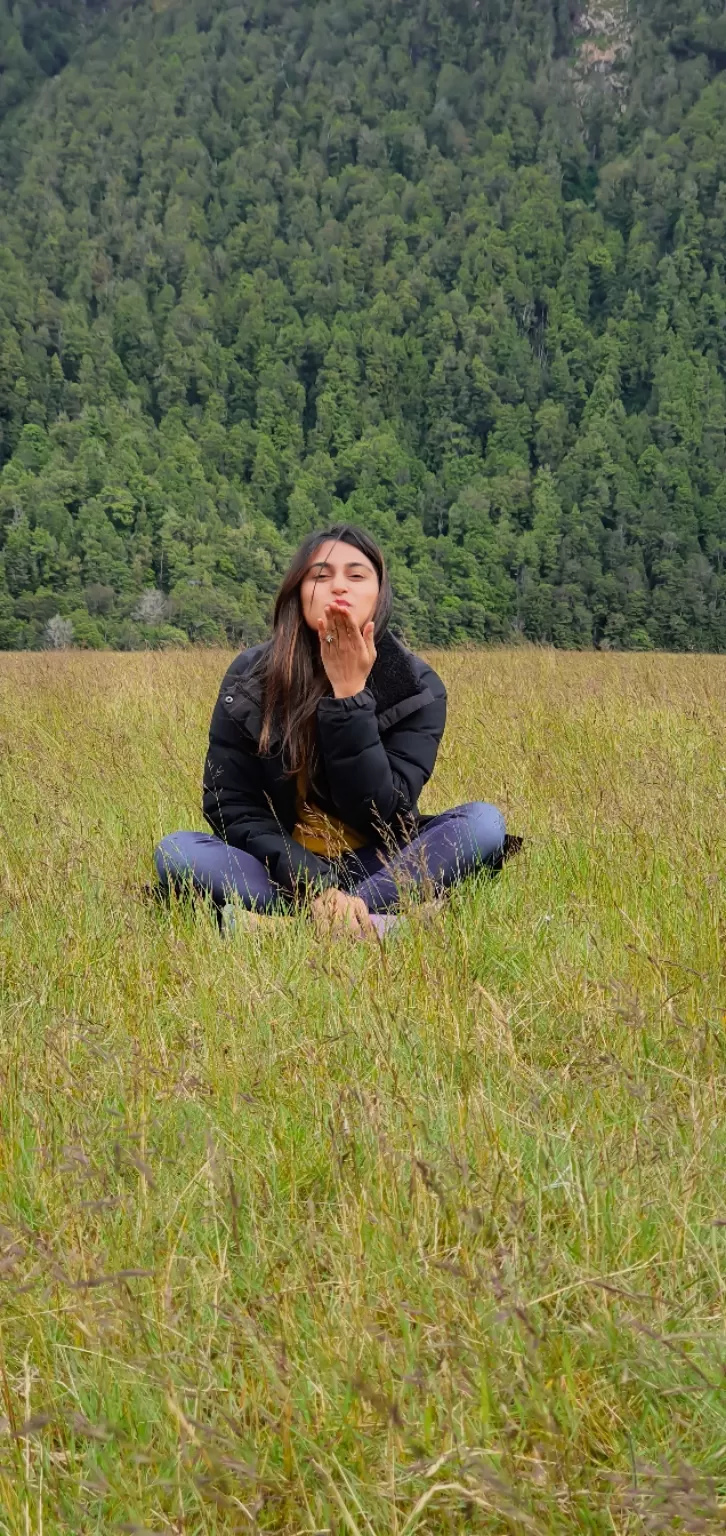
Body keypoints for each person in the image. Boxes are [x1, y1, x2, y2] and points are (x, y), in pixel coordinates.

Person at [154, 524, 508, 937]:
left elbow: (381, 814)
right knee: (177, 850)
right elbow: (230, 806)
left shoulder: (417, 687)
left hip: (377, 862)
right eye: (321, 575)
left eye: (357, 576)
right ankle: (379, 926)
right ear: (298, 592)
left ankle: (285, 928)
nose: (339, 586)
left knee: (484, 824)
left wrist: (350, 697)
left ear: (379, 595)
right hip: (281, 867)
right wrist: (315, 885)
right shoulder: (251, 678)